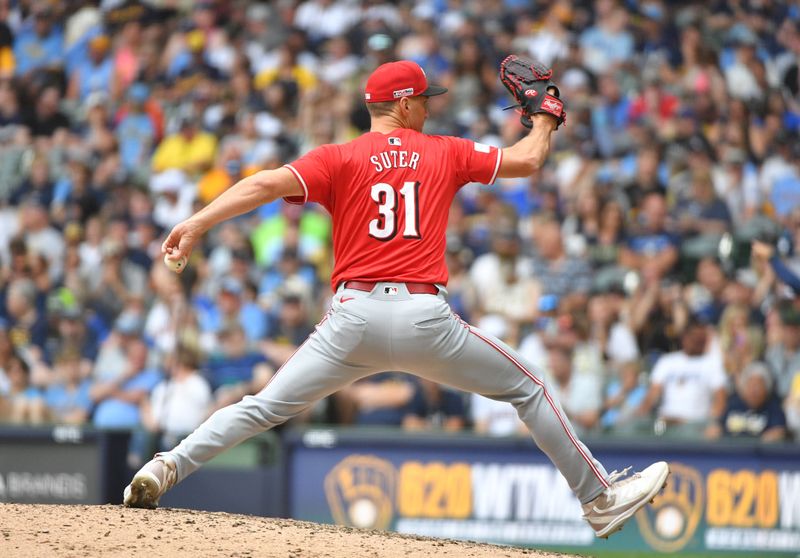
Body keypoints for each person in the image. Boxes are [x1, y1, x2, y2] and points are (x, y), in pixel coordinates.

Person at [124, 59, 668, 538]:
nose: (429, 109)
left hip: (351, 319)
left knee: (261, 408)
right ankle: (598, 501)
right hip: (422, 319)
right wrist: (546, 115)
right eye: (424, 101)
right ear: (403, 104)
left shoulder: (337, 156)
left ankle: (164, 469)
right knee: (528, 388)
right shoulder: (444, 151)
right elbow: (528, 160)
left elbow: (263, 184)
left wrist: (196, 223)